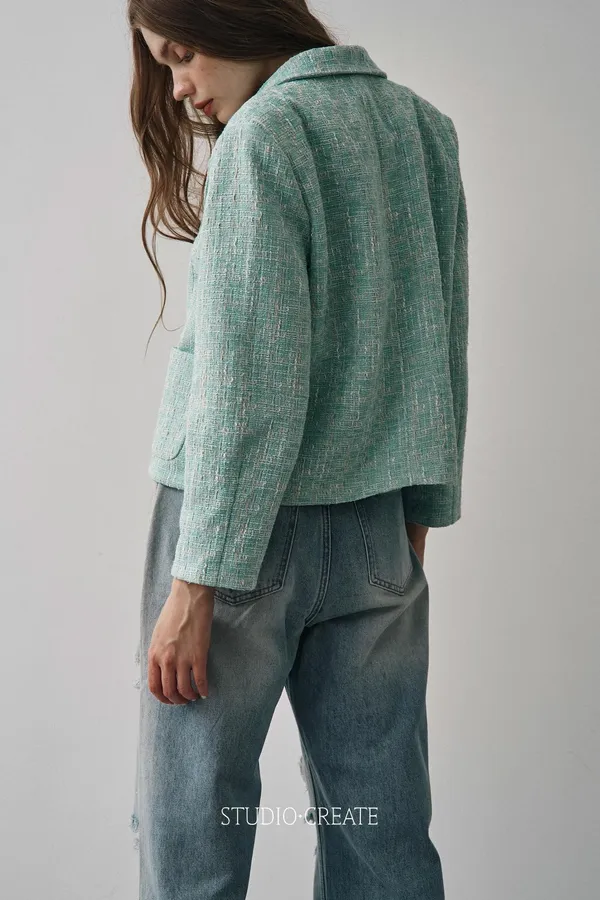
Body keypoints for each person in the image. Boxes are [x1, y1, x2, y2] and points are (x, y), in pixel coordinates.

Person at [127, 1, 469, 898]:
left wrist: (196, 583)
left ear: (234, 16)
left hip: (232, 540)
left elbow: (247, 376)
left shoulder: (264, 137)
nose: (180, 88)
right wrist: (422, 510)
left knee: (193, 828)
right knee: (382, 828)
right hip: (377, 530)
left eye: (182, 54)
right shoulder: (424, 130)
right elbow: (443, 334)